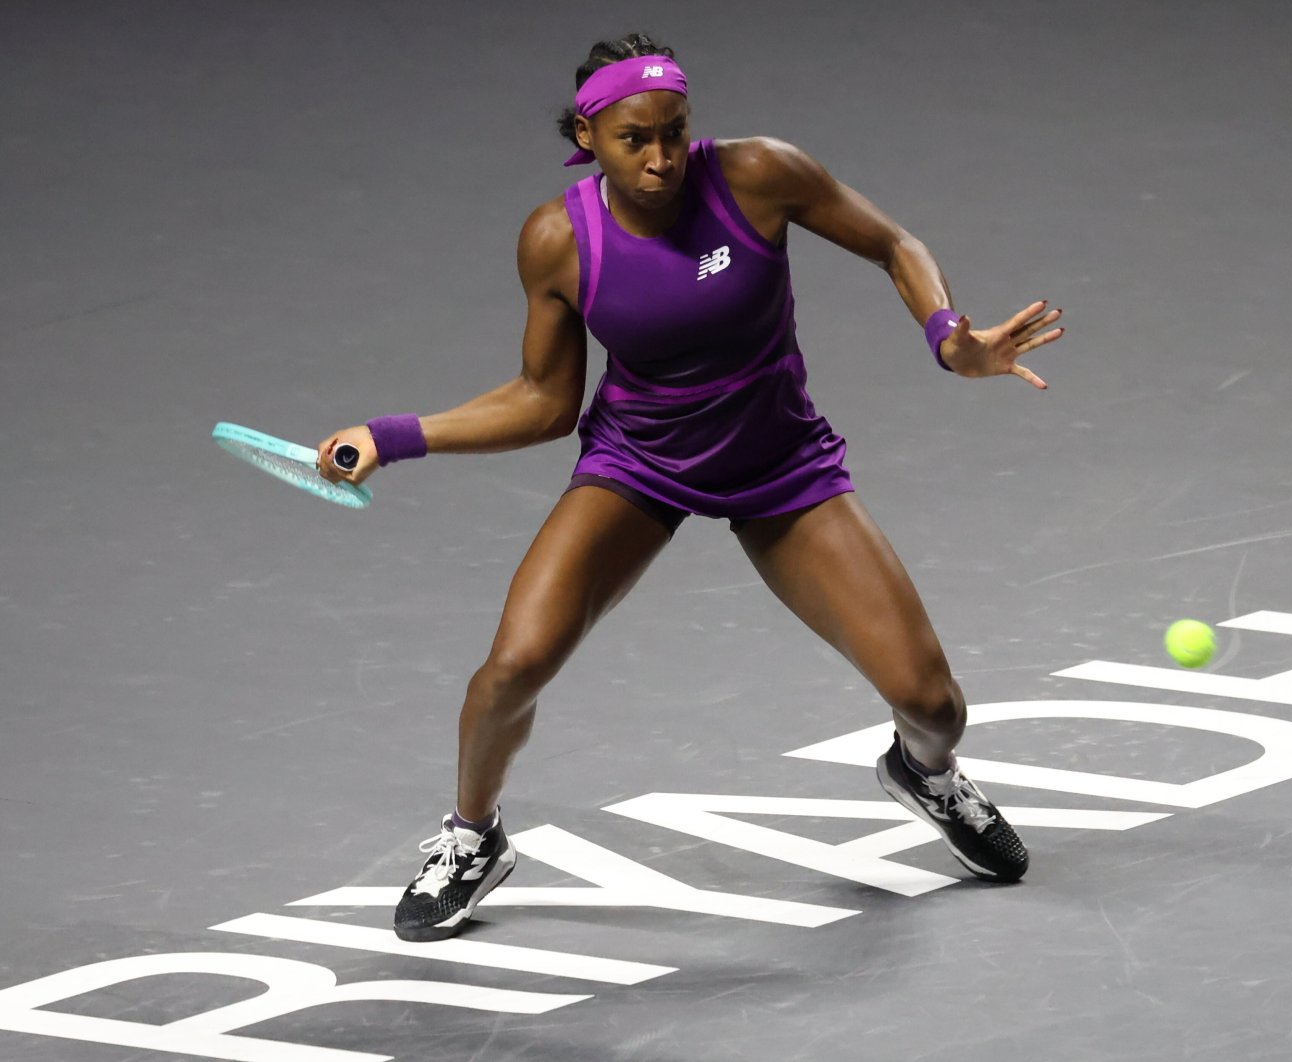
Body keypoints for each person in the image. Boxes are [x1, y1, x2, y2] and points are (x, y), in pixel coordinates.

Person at [317, 32, 1063, 943]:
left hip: (779, 463)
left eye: (675, 131)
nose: (663, 157)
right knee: (512, 666)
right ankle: (474, 837)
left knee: (936, 704)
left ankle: (924, 773)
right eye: (636, 138)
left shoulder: (759, 175)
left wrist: (949, 335)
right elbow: (546, 402)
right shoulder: (558, 240)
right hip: (640, 467)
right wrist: (390, 436)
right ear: (588, 134)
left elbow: (892, 243)